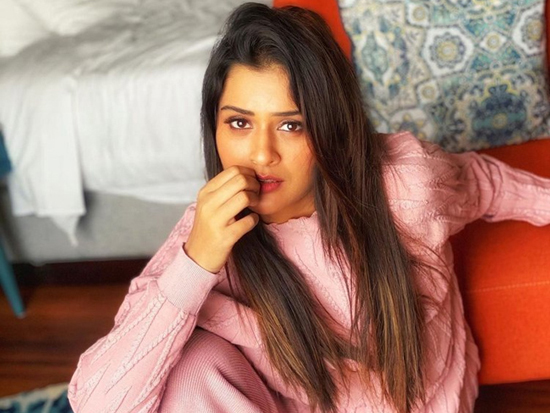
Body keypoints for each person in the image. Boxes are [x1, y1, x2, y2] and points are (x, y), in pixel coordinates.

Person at [67, 3, 550, 413]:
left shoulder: (406, 184)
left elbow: (484, 182)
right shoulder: (210, 234)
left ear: (330, 127)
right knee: (192, 365)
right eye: (239, 123)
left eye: (290, 125)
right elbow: (98, 403)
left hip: (423, 402)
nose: (261, 155)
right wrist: (194, 264)